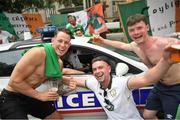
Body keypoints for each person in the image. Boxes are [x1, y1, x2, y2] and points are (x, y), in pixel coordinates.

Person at [93, 14, 180, 119]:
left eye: (139, 28)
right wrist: (102, 41)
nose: (136, 32)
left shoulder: (165, 43)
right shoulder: (135, 46)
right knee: (148, 116)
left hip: (175, 87)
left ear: (147, 27)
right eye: (132, 30)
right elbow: (121, 45)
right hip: (159, 86)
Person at [70, 50, 175, 119]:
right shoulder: (93, 83)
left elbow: (146, 78)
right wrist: (56, 75)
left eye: (101, 67)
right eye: (94, 69)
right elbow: (72, 80)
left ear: (109, 69)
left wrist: (167, 60)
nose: (97, 71)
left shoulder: (121, 82)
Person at [0, 28, 77, 119]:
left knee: (56, 118)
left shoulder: (59, 64)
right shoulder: (38, 53)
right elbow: (14, 82)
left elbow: (58, 89)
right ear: (53, 40)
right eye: (60, 41)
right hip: (11, 97)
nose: (63, 45)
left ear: (69, 45)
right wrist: (39, 95)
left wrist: (69, 89)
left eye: (66, 42)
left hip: (29, 96)